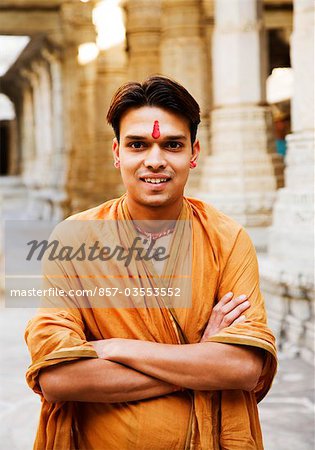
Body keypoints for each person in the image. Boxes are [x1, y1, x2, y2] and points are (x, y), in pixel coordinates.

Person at [25, 75, 277, 450]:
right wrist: (200, 359)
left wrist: (115, 348)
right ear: (117, 153)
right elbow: (59, 379)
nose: (154, 161)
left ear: (194, 153)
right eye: (138, 145)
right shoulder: (73, 239)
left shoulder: (227, 239)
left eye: (172, 145)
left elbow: (242, 368)